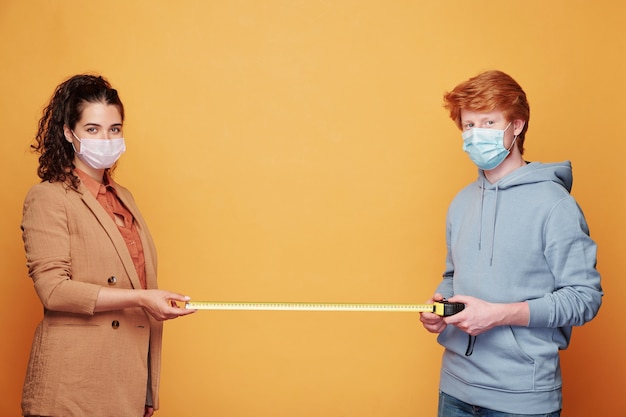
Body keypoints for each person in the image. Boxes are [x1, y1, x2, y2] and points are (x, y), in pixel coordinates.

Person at [419, 70, 602, 416]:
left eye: (488, 122)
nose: (476, 134)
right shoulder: (460, 203)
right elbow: (452, 275)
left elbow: (584, 298)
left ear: (516, 126)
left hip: (521, 399)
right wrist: (441, 307)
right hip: (454, 389)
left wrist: (498, 315)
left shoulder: (554, 204)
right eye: (469, 125)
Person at [20, 74, 196, 417]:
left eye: (114, 129)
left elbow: (142, 288)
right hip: (71, 385)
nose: (106, 138)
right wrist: (141, 298)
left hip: (123, 382)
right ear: (70, 133)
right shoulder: (48, 197)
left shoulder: (124, 197)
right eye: (93, 129)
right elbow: (53, 290)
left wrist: (146, 389)